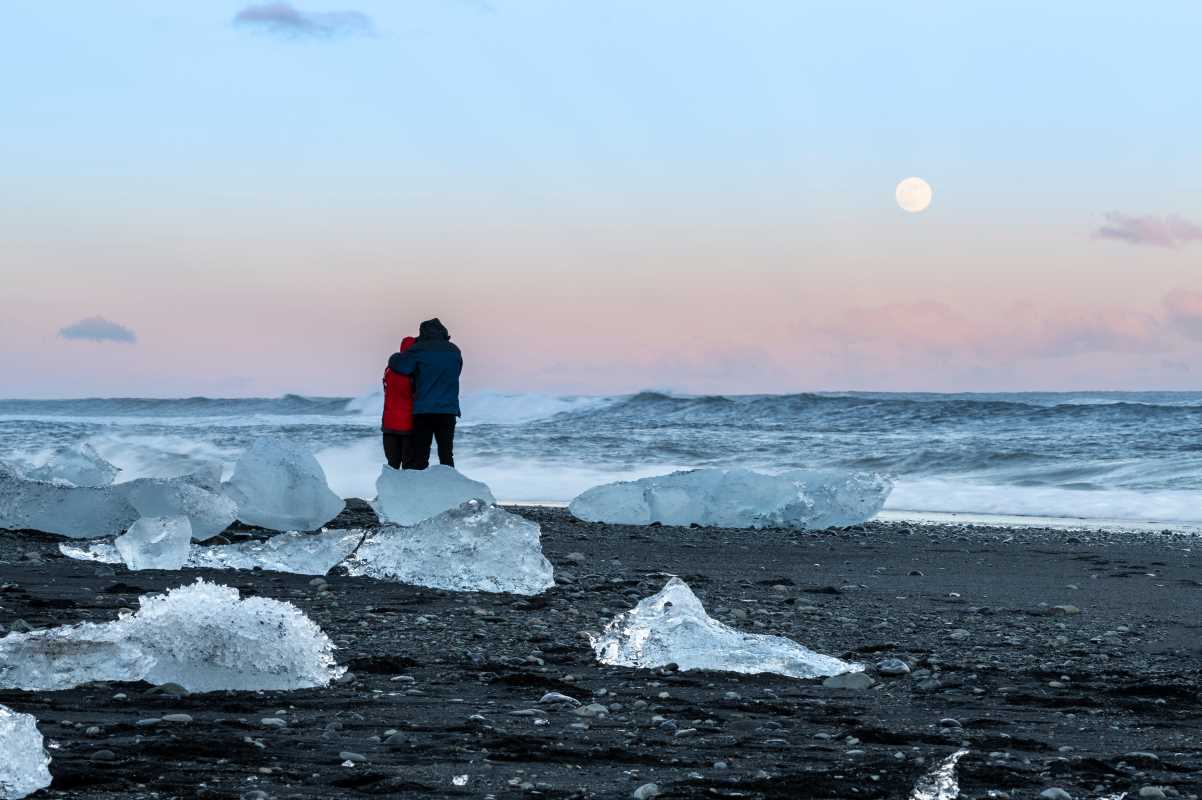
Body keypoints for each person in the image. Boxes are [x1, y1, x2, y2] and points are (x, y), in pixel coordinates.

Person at [387, 318, 462, 469]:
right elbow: (457, 372)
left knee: (421, 455)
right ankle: (449, 482)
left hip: (423, 410)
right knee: (446, 454)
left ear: (423, 333)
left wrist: (394, 356)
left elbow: (401, 366)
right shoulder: (454, 350)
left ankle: (420, 483)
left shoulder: (419, 348)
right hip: (448, 410)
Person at [381, 336, 417, 469]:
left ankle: (389, 484)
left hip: (389, 423)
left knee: (392, 464)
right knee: (408, 466)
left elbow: (387, 390)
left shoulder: (389, 369)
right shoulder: (415, 370)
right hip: (408, 424)